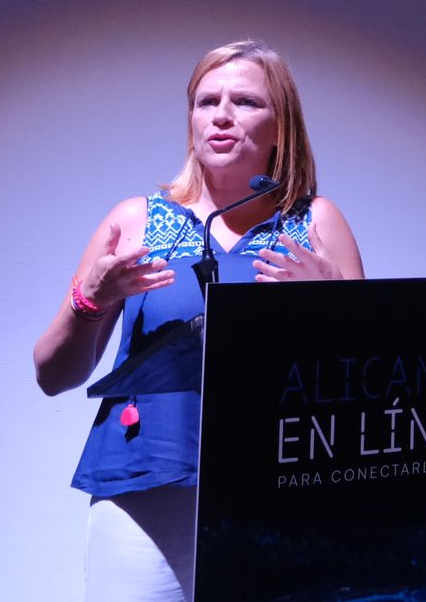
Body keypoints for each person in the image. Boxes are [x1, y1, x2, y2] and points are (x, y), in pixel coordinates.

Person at [33, 39, 365, 602]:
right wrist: (87, 303)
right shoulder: (135, 220)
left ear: (282, 126)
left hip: (279, 489)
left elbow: (373, 383)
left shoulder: (315, 223)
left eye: (246, 102)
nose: (222, 115)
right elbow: (52, 375)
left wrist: (333, 308)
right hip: (146, 483)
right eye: (206, 100)